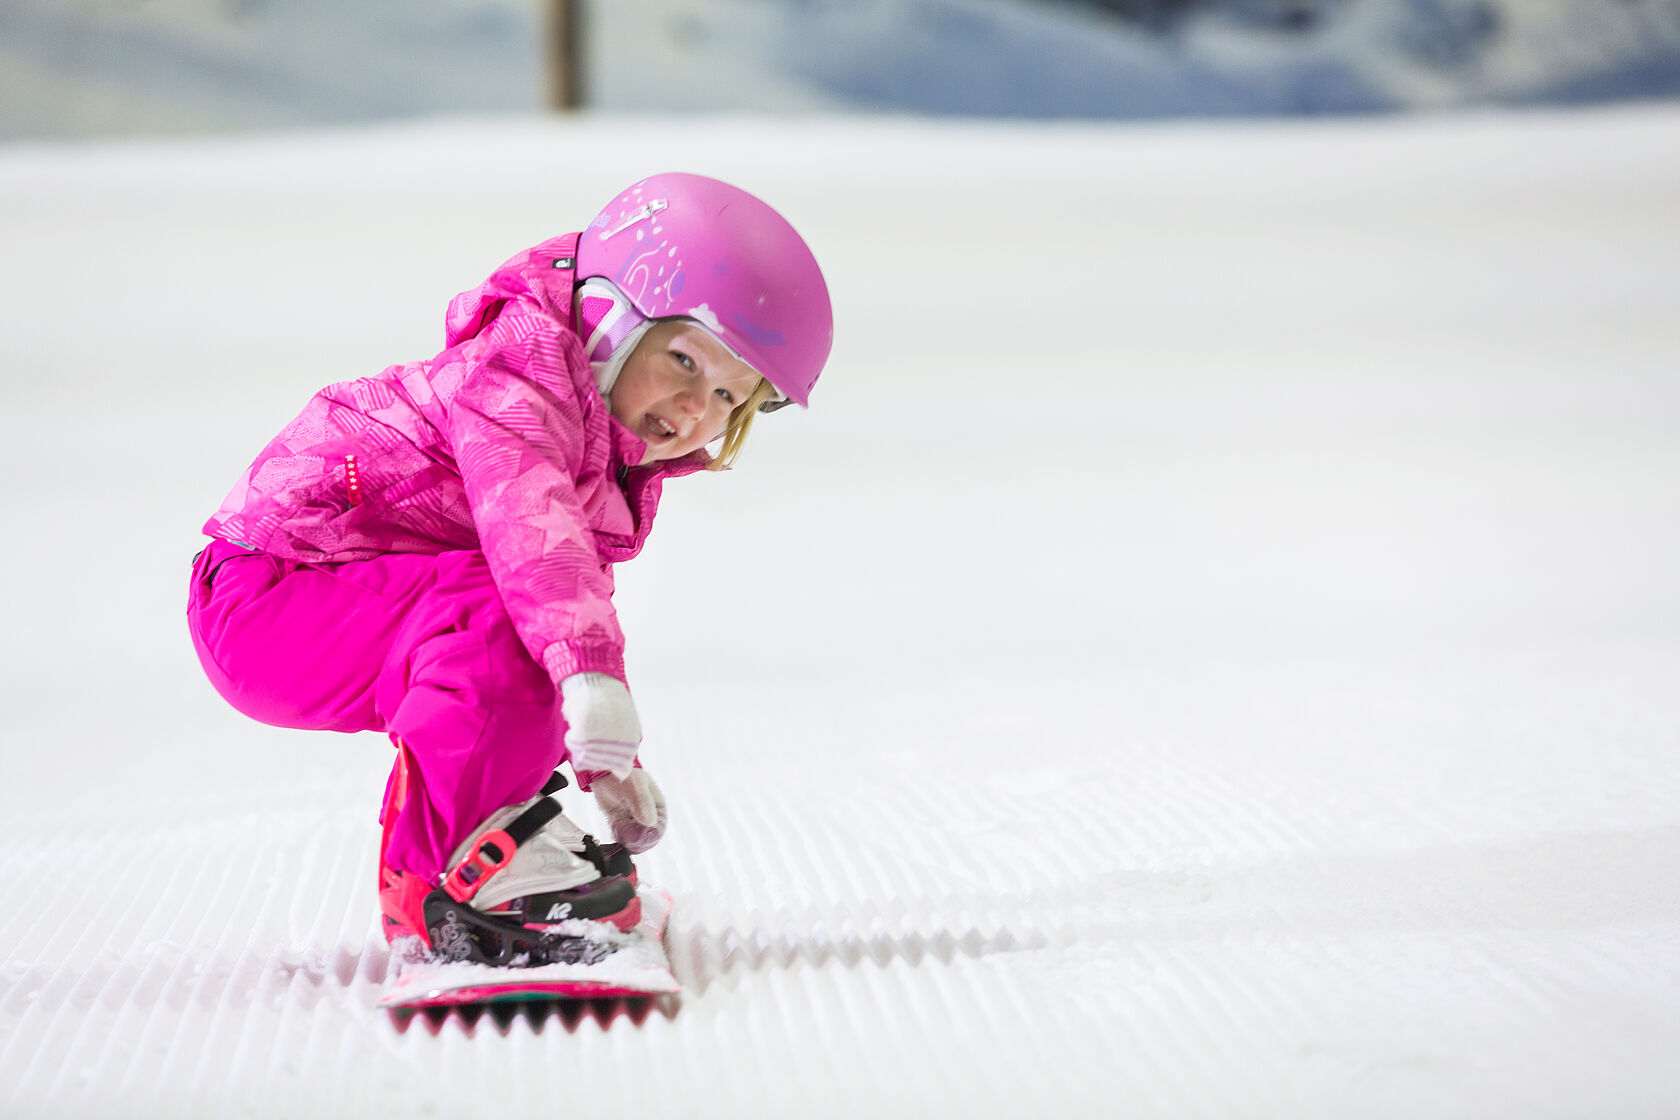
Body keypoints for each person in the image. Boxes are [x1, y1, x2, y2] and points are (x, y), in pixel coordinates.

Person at [186, 173, 832, 965]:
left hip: (334, 600)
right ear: (611, 318)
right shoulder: (516, 375)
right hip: (271, 595)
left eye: (731, 397)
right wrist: (591, 683)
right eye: (684, 362)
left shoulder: (603, 456)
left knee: (526, 634)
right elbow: (532, 531)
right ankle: (456, 876)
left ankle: (496, 831)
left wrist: (607, 759)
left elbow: (567, 606)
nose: (699, 409)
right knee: (504, 620)